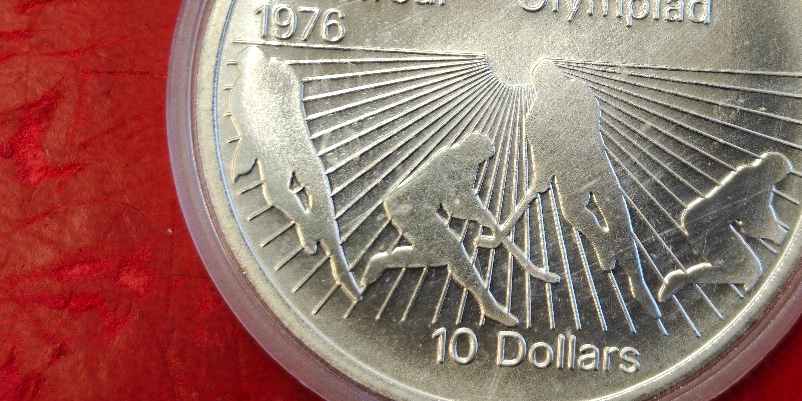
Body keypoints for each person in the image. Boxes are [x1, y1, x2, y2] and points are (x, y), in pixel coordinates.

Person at [485, 59, 660, 318]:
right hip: (578, 172)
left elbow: (590, 121)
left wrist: (549, 167)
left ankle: (637, 281)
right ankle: (603, 242)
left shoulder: (569, 95)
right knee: (575, 212)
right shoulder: (538, 114)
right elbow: (541, 154)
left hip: (593, 165)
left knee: (616, 219)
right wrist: (541, 177)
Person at [361, 132, 558, 326]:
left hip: (415, 207)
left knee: (437, 256)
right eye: (482, 158)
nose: (482, 162)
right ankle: (488, 305)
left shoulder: (463, 162)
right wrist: (483, 217)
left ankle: (383, 261)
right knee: (454, 252)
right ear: (473, 151)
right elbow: (454, 206)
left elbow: (463, 198)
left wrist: (485, 217)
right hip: (407, 207)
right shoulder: (450, 160)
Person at [230, 46, 361, 302]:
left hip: (292, 147)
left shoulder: (275, 76)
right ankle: (317, 235)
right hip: (284, 151)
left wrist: (246, 160)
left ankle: (337, 261)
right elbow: (249, 135)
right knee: (280, 194)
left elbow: (271, 122)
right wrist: (243, 163)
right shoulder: (245, 90)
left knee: (314, 199)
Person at [657, 151, 792, 301]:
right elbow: (754, 224)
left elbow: (756, 218)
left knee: (747, 269)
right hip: (706, 224)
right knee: (749, 269)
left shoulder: (750, 174)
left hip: (701, 219)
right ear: (773, 169)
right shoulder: (758, 182)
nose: (780, 178)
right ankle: (684, 278)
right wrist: (782, 237)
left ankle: (684, 278)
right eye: (781, 174)